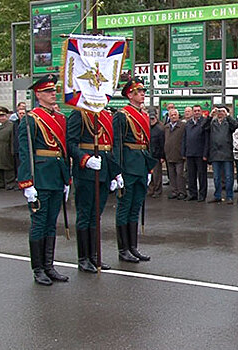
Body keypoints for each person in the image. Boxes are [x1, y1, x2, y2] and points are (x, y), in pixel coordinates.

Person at [17, 75, 70, 286]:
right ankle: (38, 269)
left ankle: (49, 266)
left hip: (56, 175)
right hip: (39, 176)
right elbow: (24, 152)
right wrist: (27, 182)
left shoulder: (59, 118)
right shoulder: (31, 119)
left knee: (51, 224)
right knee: (39, 224)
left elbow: (63, 151)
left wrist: (66, 178)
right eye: (48, 91)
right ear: (38, 95)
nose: (53, 93)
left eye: (54, 90)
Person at [67, 105, 120, 272]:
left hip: (104, 170)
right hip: (87, 170)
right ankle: (84, 258)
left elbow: (109, 147)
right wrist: (85, 158)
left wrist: (114, 173)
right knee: (85, 215)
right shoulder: (79, 114)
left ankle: (95, 256)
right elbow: (70, 142)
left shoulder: (104, 115)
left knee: (96, 216)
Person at [112, 77, 158, 263]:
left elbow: (146, 144)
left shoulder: (143, 115)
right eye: (139, 92)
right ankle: (123, 249)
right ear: (130, 94)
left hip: (140, 165)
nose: (142, 95)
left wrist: (148, 169)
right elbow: (117, 145)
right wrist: (118, 171)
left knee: (135, 208)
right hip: (128, 166)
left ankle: (133, 247)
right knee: (124, 207)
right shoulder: (122, 115)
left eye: (143, 92)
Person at [205, 104, 238, 204]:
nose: (220, 113)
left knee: (229, 177)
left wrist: (227, 115)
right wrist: (210, 116)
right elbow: (204, 127)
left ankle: (229, 196)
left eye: (222, 111)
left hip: (226, 153)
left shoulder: (228, 122)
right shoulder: (212, 122)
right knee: (216, 177)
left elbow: (236, 126)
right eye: (218, 111)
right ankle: (217, 196)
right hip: (215, 153)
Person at [182, 104, 208, 202]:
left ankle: (202, 195)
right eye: (195, 111)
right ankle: (192, 194)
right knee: (191, 175)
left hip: (200, 154)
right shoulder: (188, 124)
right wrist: (183, 152)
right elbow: (184, 138)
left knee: (202, 176)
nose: (196, 112)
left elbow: (206, 139)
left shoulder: (204, 122)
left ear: (201, 112)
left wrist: (205, 154)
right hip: (190, 153)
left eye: (198, 110)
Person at [164, 108, 186, 200]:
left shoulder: (183, 126)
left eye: (175, 115)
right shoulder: (166, 127)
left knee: (180, 175)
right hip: (169, 155)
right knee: (171, 175)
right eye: (171, 115)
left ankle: (182, 192)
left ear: (178, 115)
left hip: (179, 155)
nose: (173, 116)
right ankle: (174, 191)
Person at [148, 107, 165, 198]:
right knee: (150, 174)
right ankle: (151, 190)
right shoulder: (147, 128)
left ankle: (158, 191)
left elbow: (162, 144)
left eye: (153, 118)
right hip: (149, 154)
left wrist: (162, 156)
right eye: (149, 119)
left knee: (157, 175)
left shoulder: (159, 129)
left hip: (157, 155)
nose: (151, 120)